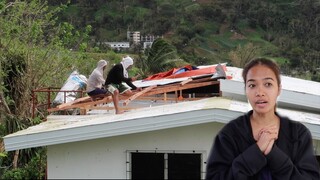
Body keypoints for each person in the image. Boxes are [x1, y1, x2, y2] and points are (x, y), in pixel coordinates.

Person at [205, 57, 320, 180]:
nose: (260, 92)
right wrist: (257, 150)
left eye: (268, 84)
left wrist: (273, 153)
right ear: (246, 90)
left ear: (279, 89)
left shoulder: (298, 134)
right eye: (252, 85)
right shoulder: (229, 135)